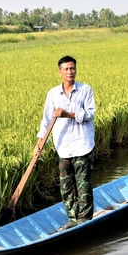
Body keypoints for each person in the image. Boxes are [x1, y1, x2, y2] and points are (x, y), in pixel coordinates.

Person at [37, 56, 96, 231]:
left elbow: (90, 114)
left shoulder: (85, 90)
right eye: (66, 69)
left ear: (75, 70)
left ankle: (84, 219)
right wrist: (41, 141)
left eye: (72, 68)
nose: (70, 72)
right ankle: (72, 217)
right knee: (66, 186)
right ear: (60, 72)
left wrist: (68, 114)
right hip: (63, 147)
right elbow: (47, 120)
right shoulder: (53, 94)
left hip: (82, 144)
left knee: (83, 184)